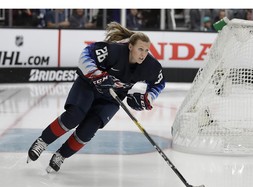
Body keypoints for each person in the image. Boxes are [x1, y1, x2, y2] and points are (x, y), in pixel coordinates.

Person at [27, 21, 165, 173]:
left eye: (146, 50)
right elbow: (86, 55)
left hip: (112, 98)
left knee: (89, 129)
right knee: (74, 116)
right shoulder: (114, 51)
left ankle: (61, 155)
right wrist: (97, 75)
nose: (143, 54)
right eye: (140, 49)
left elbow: (159, 84)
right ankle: (42, 141)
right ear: (130, 47)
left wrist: (148, 98)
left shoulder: (151, 66)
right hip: (88, 86)